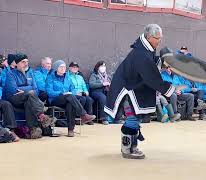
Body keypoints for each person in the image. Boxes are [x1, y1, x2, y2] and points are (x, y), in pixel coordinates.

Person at [105, 24, 183, 159]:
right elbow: (151, 77)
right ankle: (127, 148)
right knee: (132, 119)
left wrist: (164, 61)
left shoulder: (146, 50)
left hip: (134, 88)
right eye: (157, 38)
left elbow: (152, 63)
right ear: (148, 37)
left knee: (136, 118)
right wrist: (170, 89)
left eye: (160, 38)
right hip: (127, 91)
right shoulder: (141, 54)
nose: (159, 41)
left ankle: (132, 146)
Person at [3, 53, 54, 139]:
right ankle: (42, 114)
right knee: (30, 93)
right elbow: (13, 90)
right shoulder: (10, 74)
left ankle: (34, 130)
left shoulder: (30, 73)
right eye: (23, 62)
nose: (26, 64)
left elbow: (36, 90)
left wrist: (23, 89)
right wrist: (29, 89)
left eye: (27, 61)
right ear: (17, 63)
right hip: (13, 98)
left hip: (27, 98)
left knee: (29, 101)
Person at [46, 60, 96, 137]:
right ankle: (83, 115)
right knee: (69, 97)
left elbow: (72, 89)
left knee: (70, 104)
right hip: (55, 99)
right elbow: (49, 92)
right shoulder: (50, 77)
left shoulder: (67, 77)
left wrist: (70, 93)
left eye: (64, 67)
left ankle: (70, 130)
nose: (63, 68)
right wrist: (62, 93)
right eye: (61, 67)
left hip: (68, 99)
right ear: (56, 68)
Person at [89, 61, 111, 125]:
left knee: (115, 97)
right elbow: (91, 85)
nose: (103, 68)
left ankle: (117, 118)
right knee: (103, 98)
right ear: (98, 67)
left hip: (105, 91)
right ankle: (103, 118)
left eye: (104, 66)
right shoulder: (94, 75)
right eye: (101, 66)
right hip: (96, 92)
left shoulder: (107, 76)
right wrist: (102, 84)